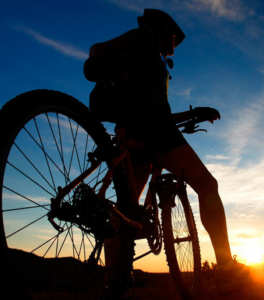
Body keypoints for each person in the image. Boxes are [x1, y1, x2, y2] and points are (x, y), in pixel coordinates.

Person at [84, 8, 250, 295]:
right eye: (173, 35)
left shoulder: (151, 61)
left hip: (137, 133)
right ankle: (226, 269)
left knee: (124, 210)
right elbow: (96, 49)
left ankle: (115, 277)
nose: (175, 41)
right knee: (208, 185)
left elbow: (157, 111)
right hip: (156, 133)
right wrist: (114, 66)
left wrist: (193, 113)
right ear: (162, 30)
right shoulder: (144, 37)